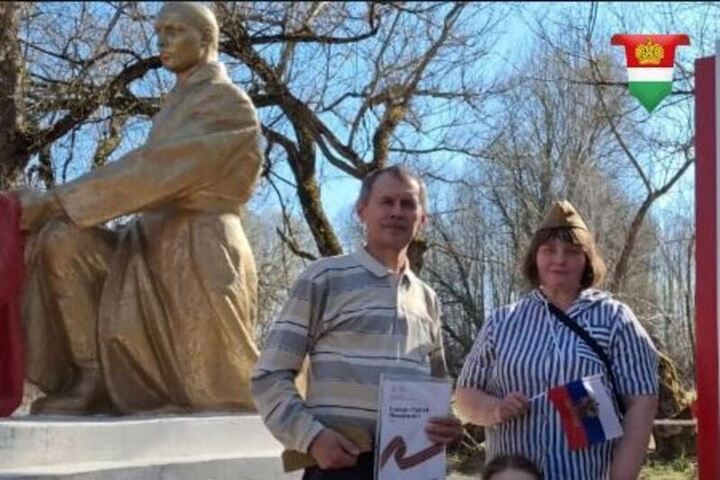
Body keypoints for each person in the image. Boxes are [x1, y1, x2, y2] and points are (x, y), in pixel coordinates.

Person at [16, 2, 263, 415]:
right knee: (62, 240)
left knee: (213, 391)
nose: (161, 41)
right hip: (145, 246)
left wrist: (55, 200)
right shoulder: (176, 103)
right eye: (159, 31)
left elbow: (159, 170)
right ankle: (91, 374)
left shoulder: (227, 102)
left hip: (197, 249)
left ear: (206, 39)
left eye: (174, 31)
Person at [251, 166, 462, 479]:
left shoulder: (427, 299)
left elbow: (438, 386)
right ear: (361, 211)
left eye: (408, 204)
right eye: (386, 201)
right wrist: (312, 438)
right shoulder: (323, 278)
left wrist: (448, 422)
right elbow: (269, 376)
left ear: (422, 219)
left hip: (412, 468)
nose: (396, 212)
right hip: (340, 467)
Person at [456, 200, 658, 480]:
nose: (560, 259)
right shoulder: (501, 322)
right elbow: (464, 394)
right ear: (535, 257)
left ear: (587, 259)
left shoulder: (615, 319)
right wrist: (496, 409)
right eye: (549, 249)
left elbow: (642, 403)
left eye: (572, 251)